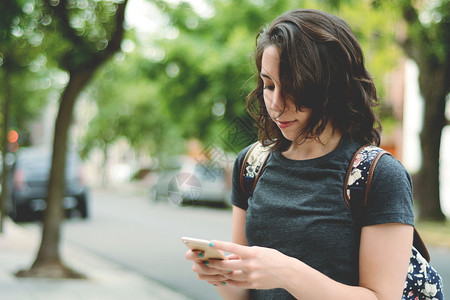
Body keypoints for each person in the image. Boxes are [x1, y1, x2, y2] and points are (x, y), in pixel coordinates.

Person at [185, 8, 414, 299]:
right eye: (268, 85)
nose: (276, 104)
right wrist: (220, 275)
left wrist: (285, 272)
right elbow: (242, 295)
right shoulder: (251, 164)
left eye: (293, 87)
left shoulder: (378, 175)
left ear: (331, 85)